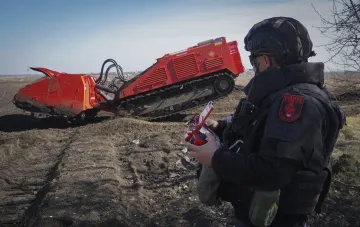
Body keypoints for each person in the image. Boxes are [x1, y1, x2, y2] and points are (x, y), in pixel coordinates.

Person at [187, 17, 346, 227]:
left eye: (254, 61)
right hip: (257, 212)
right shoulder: (278, 94)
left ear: (265, 60)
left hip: (276, 218)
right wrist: (221, 127)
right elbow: (257, 131)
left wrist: (215, 158)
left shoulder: (296, 102)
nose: (253, 67)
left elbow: (271, 172)